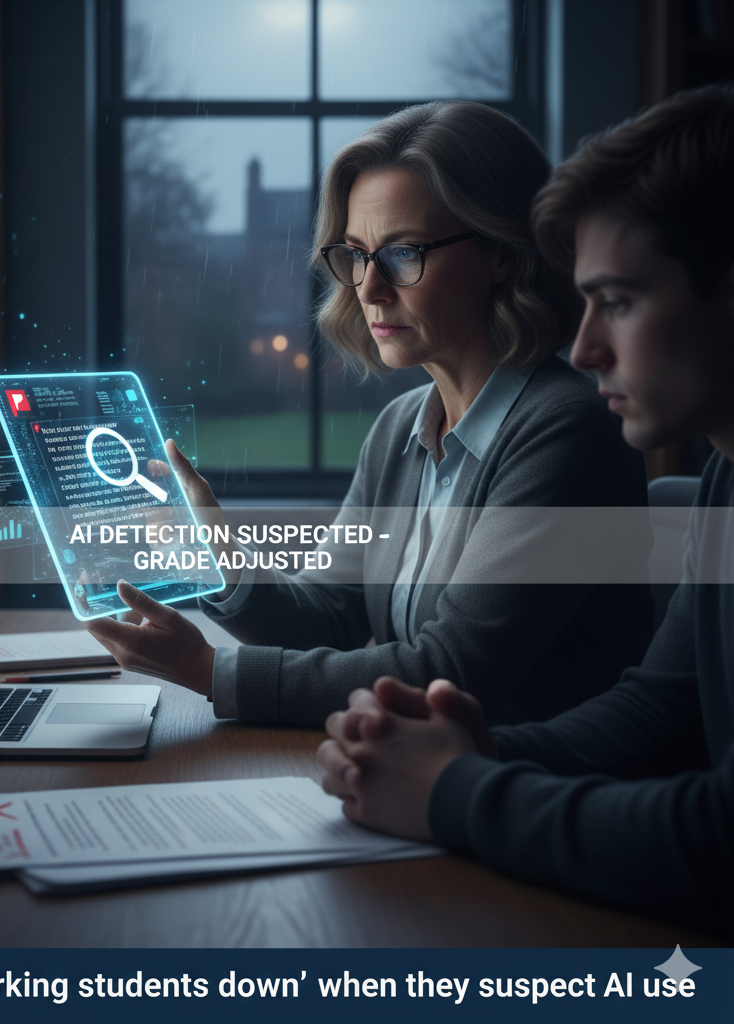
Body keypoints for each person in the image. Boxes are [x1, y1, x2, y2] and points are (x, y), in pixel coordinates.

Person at [86, 100, 654, 728]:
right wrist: (216, 549)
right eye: (356, 254)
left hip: (528, 801)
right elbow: (329, 613)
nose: (369, 288)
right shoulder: (399, 429)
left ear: (504, 253)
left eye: (404, 253)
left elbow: (448, 673)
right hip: (413, 784)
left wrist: (205, 670)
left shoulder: (569, 428)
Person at [317, 84, 734, 932]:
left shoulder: (562, 423)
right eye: (354, 256)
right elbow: (665, 710)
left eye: (616, 301)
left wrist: (460, 788)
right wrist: (467, 751)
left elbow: (716, 836)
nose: (582, 347)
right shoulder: (729, 478)